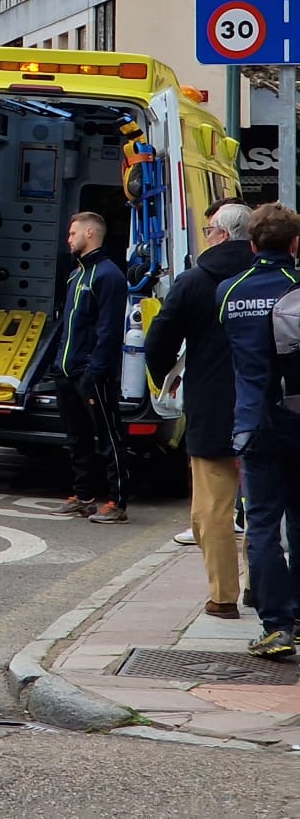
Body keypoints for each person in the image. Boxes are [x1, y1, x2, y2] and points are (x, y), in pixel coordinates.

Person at [147, 200, 254, 617]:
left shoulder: (194, 281)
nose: (206, 236)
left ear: (222, 235)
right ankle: (261, 588)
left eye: (210, 230)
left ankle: (223, 596)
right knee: (265, 507)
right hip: (267, 407)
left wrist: (167, 378)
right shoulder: (273, 279)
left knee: (212, 509)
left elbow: (159, 341)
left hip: (211, 405)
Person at [221, 202, 300, 659]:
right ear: (295, 244)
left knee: (263, 526)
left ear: (252, 244)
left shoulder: (230, 293)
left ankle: (276, 626)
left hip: (254, 423)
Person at [50, 211, 132, 524]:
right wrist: (59, 364)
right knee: (76, 438)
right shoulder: (76, 275)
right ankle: (82, 497)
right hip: (67, 372)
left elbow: (109, 331)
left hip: (91, 374)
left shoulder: (109, 276)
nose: (68, 239)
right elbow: (68, 326)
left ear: (89, 233)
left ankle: (117, 502)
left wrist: (95, 372)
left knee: (108, 438)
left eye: (72, 234)